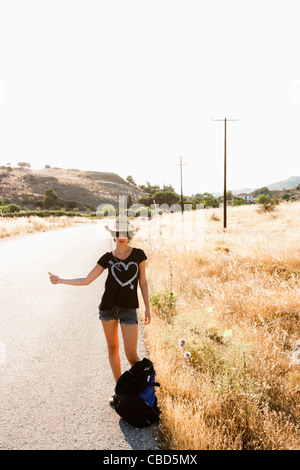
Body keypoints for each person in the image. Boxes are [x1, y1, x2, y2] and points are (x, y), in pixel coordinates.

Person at [48, 216, 151, 398]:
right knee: (112, 348)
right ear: (113, 235)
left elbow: (143, 282)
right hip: (108, 309)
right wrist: (61, 280)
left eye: (124, 232)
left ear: (130, 235)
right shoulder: (107, 257)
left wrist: (147, 308)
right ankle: (120, 392)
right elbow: (87, 280)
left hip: (129, 310)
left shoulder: (138, 255)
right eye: (118, 232)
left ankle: (142, 389)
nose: (121, 236)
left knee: (131, 354)